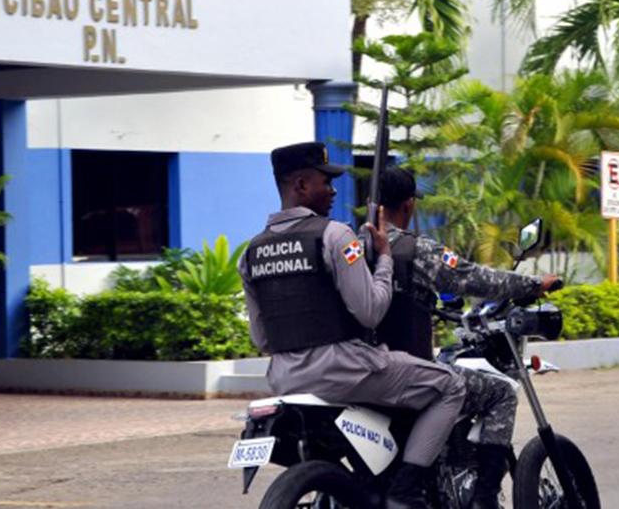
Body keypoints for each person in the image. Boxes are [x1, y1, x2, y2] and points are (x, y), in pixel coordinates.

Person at [239, 142, 467, 509]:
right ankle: (406, 491)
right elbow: (371, 312)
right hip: (344, 371)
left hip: (284, 379)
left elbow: (261, 337)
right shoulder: (335, 235)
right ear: (300, 185)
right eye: (324, 182)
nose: (332, 191)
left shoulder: (250, 253)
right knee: (450, 386)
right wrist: (385, 260)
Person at [375, 166, 560, 509]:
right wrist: (535, 285)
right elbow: (470, 277)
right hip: (408, 371)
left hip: (359, 370)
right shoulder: (416, 250)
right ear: (409, 204)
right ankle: (484, 500)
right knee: (501, 393)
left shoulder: (348, 247)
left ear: (373, 203)